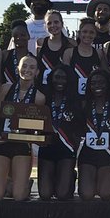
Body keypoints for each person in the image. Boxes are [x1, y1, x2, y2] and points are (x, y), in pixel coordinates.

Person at [0, 53, 45, 201]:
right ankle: (9, 181)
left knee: (19, 196)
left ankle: (22, 184)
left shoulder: (39, 97)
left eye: (32, 67)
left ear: (37, 72)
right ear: (17, 68)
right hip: (2, 143)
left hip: (22, 146)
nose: (27, 70)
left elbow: (39, 126)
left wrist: (28, 133)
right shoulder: (6, 89)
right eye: (24, 66)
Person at [37, 65, 80, 201]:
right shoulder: (44, 99)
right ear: (51, 79)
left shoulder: (74, 101)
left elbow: (79, 128)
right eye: (57, 77)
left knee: (62, 194)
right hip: (47, 148)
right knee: (45, 194)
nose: (60, 81)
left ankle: (69, 176)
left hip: (66, 149)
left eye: (63, 78)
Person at [78, 68, 110, 201]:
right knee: (86, 194)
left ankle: (105, 181)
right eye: (93, 83)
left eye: (101, 82)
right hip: (88, 155)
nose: (97, 86)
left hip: (108, 154)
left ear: (108, 84)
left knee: (106, 194)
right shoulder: (84, 105)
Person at [35, 9, 73, 91]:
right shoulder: (40, 42)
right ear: (45, 26)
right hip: (43, 88)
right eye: (49, 23)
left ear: (62, 24)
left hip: (63, 88)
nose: (53, 25)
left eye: (56, 22)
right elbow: (38, 67)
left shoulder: (71, 43)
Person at [68, 17, 105, 97]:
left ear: (95, 34)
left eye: (91, 32)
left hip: (92, 97)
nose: (88, 35)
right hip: (74, 96)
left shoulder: (99, 53)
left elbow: (104, 75)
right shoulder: (69, 53)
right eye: (84, 32)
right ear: (79, 33)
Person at [0, 19, 33, 86]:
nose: (19, 38)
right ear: (12, 38)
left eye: (22, 35)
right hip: (6, 94)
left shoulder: (33, 59)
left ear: (28, 36)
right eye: (15, 36)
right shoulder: (5, 55)